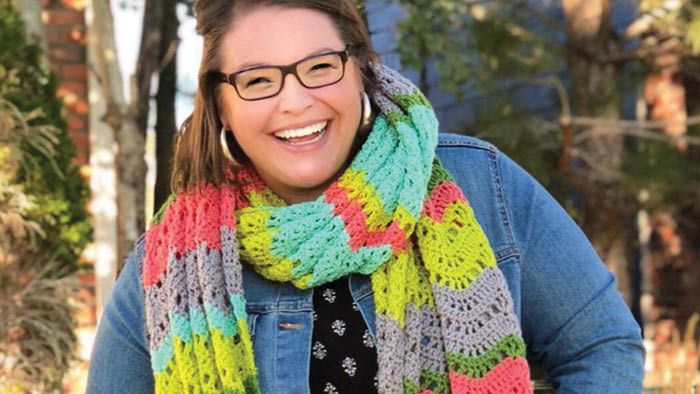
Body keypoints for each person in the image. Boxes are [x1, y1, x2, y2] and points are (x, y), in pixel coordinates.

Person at [87, 0, 645, 393]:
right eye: (258, 80)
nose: (295, 102)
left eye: (320, 67)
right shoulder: (172, 260)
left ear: (361, 70)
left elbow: (602, 345)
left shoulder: (481, 183)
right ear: (220, 104)